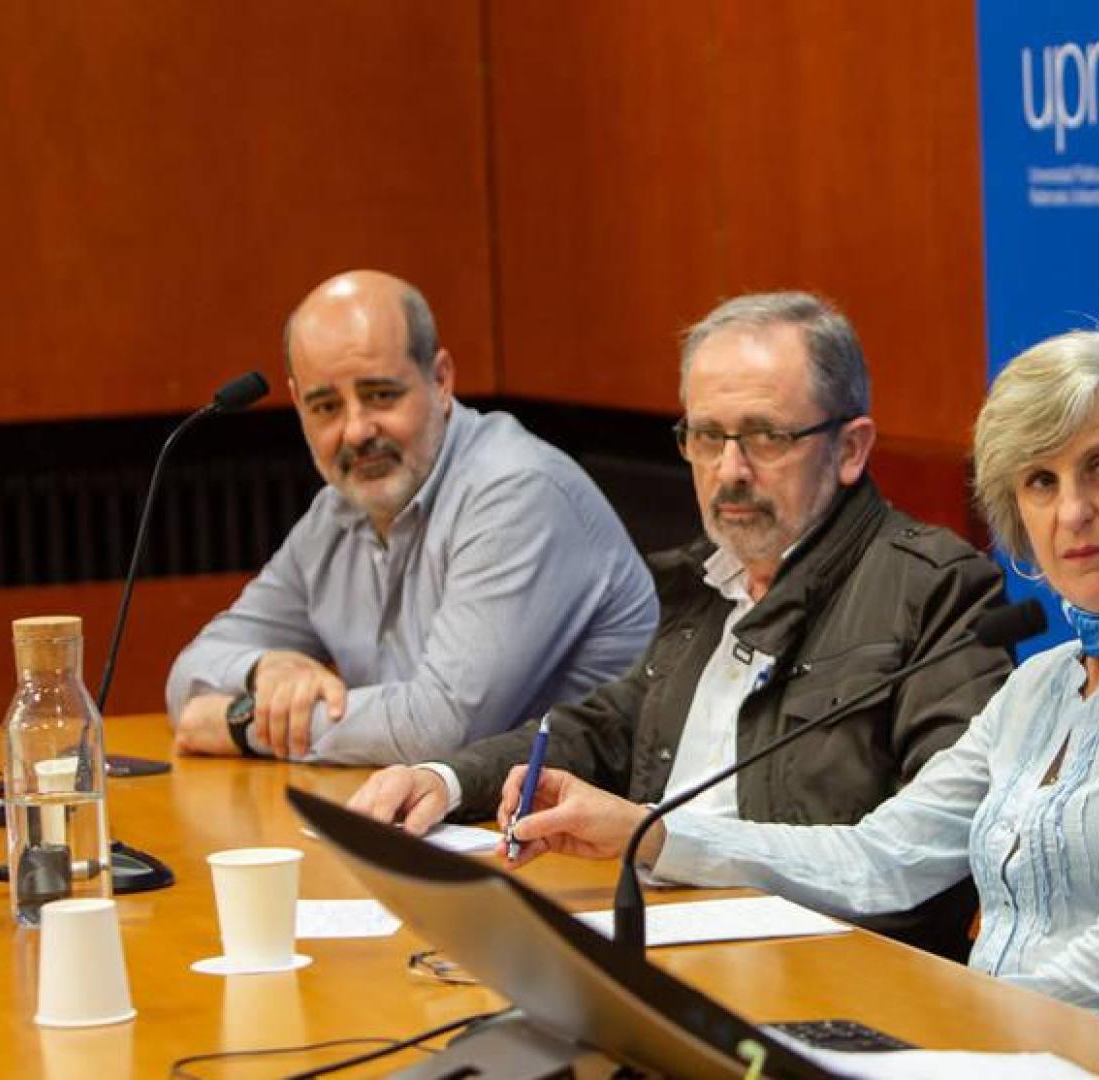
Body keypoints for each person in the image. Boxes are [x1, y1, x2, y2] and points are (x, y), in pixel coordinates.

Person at [478, 326, 1099, 1010]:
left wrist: (930, 1018)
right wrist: (647, 830)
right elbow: (879, 858)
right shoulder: (1043, 684)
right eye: (1039, 481)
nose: (1072, 513)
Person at [349, 291, 1012, 959]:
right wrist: (444, 780)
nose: (729, 471)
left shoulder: (934, 589)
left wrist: (651, 833)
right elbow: (604, 730)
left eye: (765, 437)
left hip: (819, 966)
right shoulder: (703, 581)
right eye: (706, 436)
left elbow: (928, 858)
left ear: (849, 448)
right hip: (662, 937)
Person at [166, 270, 657, 765]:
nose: (356, 431)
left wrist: (244, 724)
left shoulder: (517, 491)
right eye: (326, 407)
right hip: (449, 818)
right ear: (297, 407)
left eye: (380, 395)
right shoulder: (336, 512)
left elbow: (439, 728)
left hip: (579, 828)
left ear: (440, 380)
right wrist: (264, 671)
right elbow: (189, 676)